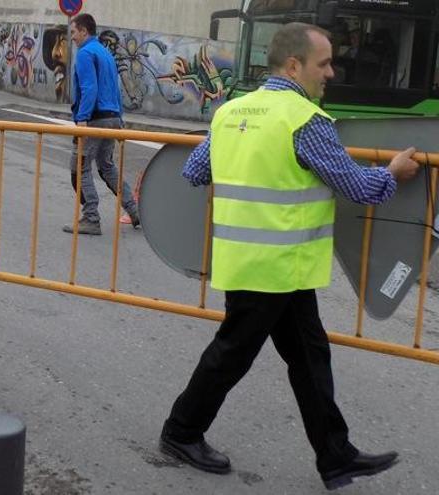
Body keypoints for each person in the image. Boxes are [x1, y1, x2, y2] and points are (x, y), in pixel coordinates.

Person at [159, 23, 420, 491]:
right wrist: (393, 172)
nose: (332, 72)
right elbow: (359, 187)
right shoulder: (304, 120)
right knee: (233, 355)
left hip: (262, 265)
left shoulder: (231, 112)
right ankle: (181, 431)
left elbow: (195, 171)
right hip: (275, 268)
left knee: (309, 356)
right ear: (295, 65)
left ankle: (336, 457)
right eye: (324, 63)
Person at [63, 13, 139, 236]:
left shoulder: (86, 53)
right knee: (106, 167)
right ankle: (134, 210)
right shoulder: (105, 53)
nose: (72, 38)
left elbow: (89, 88)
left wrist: (82, 120)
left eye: (74, 32)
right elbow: (116, 90)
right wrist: (120, 120)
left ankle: (91, 217)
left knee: (79, 167)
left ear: (84, 31)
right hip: (111, 117)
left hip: (94, 118)